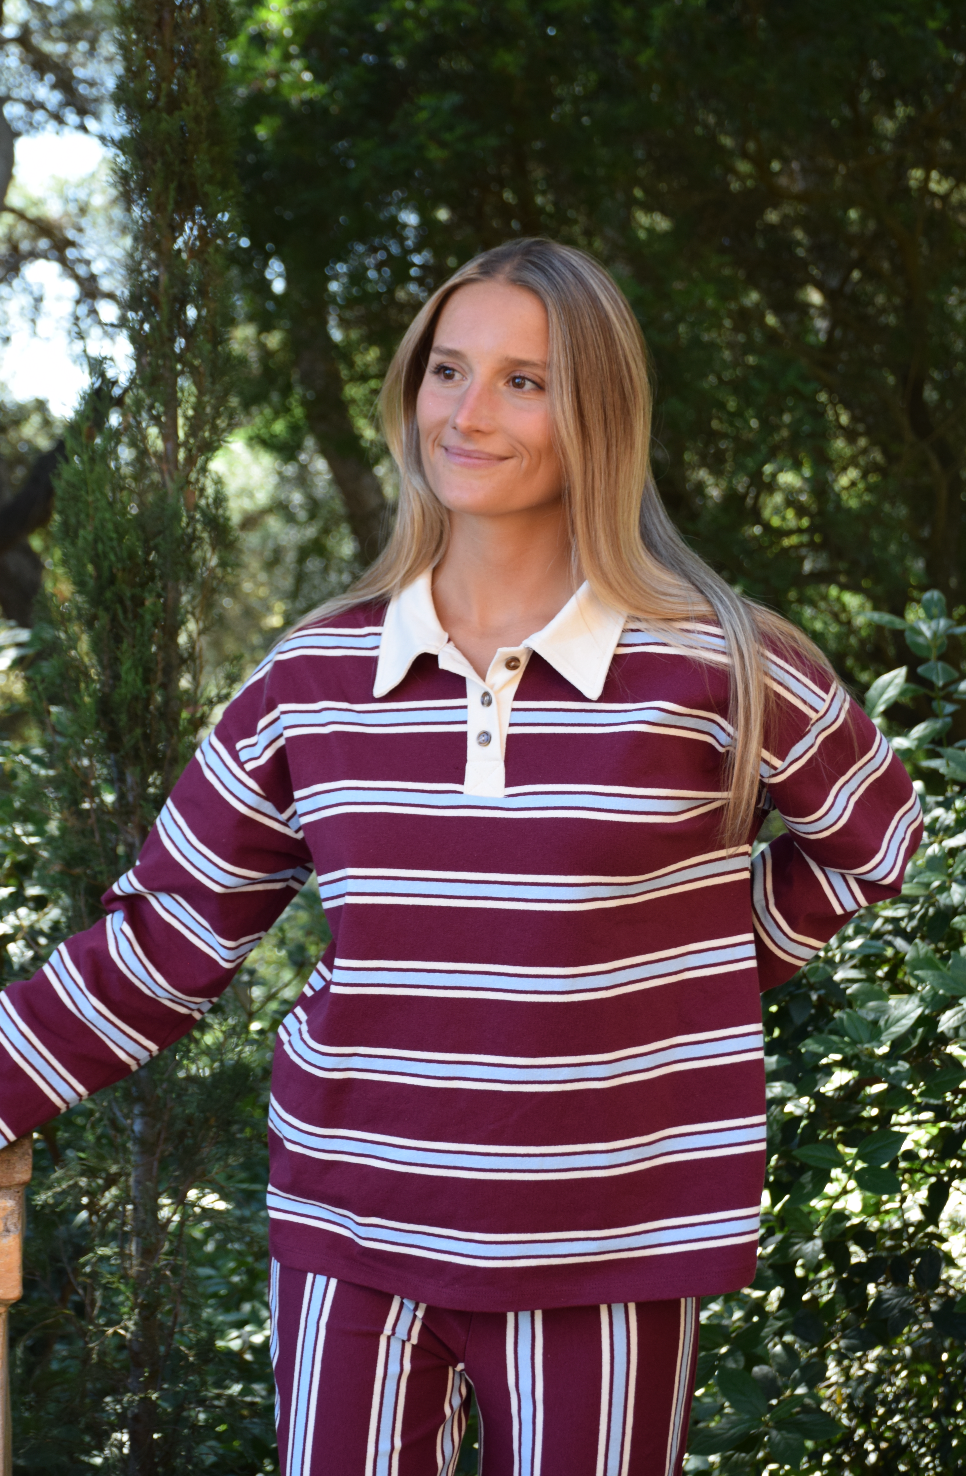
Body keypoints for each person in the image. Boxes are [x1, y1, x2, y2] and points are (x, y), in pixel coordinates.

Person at [0, 239, 921, 1475]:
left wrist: (685, 970)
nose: (468, 412)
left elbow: (874, 841)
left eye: (524, 381)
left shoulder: (724, 664)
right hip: (350, 1229)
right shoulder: (314, 676)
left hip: (607, 1241)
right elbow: (169, 932)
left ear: (600, 412)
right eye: (448, 369)